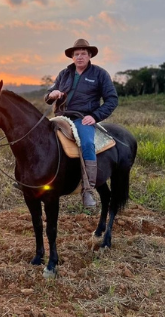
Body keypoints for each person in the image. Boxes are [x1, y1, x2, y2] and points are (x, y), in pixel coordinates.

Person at [45, 39, 118, 208]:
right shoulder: (64, 73)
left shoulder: (100, 74)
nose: (79, 57)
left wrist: (95, 116)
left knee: (86, 143)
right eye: (76, 54)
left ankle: (88, 189)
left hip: (82, 118)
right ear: (72, 57)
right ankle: (34, 179)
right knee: (39, 137)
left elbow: (112, 100)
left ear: (89, 55)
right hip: (61, 117)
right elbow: (49, 94)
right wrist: (52, 94)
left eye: (83, 53)